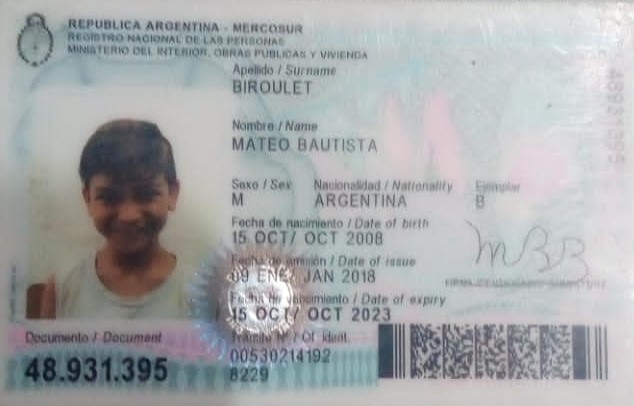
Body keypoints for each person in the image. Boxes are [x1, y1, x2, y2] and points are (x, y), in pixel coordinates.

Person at [40, 119, 187, 319]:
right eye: (109, 197)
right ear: (88, 199)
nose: (129, 216)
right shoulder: (64, 286)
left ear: (173, 193)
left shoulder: (201, 292)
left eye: (146, 194)